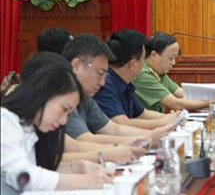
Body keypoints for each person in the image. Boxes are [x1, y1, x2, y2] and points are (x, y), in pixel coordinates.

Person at [1, 63, 112, 195]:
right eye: (64, 109)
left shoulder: (31, 127)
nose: (63, 120)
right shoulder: (5, 120)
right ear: (43, 95)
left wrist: (77, 166)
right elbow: (25, 177)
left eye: (68, 114)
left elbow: (38, 168)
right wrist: (86, 181)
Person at [20, 51, 148, 165]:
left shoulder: (49, 116)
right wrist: (107, 154)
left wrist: (123, 146)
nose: (64, 120)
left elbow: (73, 147)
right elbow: (38, 163)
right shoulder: (12, 122)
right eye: (100, 73)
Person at [62, 34, 171, 155]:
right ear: (77, 65)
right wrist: (136, 141)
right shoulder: (60, 96)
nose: (103, 83)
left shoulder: (86, 98)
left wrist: (151, 136)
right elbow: (82, 140)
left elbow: (113, 129)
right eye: (100, 73)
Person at [94, 29, 179, 129]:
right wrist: (164, 122)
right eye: (143, 59)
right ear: (133, 64)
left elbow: (142, 114)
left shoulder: (125, 83)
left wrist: (170, 117)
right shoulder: (104, 83)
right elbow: (121, 124)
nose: (144, 64)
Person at [133, 32, 213, 112]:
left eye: (175, 58)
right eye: (170, 58)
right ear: (154, 55)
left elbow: (182, 94)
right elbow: (175, 104)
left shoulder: (159, 72)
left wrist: (212, 99)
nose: (173, 63)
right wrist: (211, 102)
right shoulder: (142, 74)